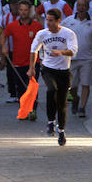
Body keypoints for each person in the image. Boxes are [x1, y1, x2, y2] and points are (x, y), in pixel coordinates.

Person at [30, 8, 77, 145]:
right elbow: (34, 50)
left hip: (63, 71)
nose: (48, 23)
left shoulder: (68, 33)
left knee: (62, 103)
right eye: (47, 20)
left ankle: (61, 130)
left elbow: (73, 51)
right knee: (51, 90)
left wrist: (61, 52)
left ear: (58, 20)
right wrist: (32, 68)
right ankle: (50, 121)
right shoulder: (42, 34)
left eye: (51, 20)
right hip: (48, 69)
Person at [2, 0, 43, 118]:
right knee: (20, 87)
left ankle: (32, 110)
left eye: (26, 10)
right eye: (21, 10)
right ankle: (25, 108)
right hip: (17, 62)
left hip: (33, 62)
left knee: (32, 85)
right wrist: (4, 46)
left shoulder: (36, 26)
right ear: (18, 11)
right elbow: (3, 35)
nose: (23, 12)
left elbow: (43, 40)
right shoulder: (12, 25)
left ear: (29, 11)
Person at [63, 0, 92, 118]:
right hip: (72, 58)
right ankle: (75, 99)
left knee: (86, 84)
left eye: (83, 6)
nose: (81, 8)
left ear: (87, 8)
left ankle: (82, 108)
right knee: (72, 86)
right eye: (79, 5)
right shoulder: (68, 21)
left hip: (87, 58)